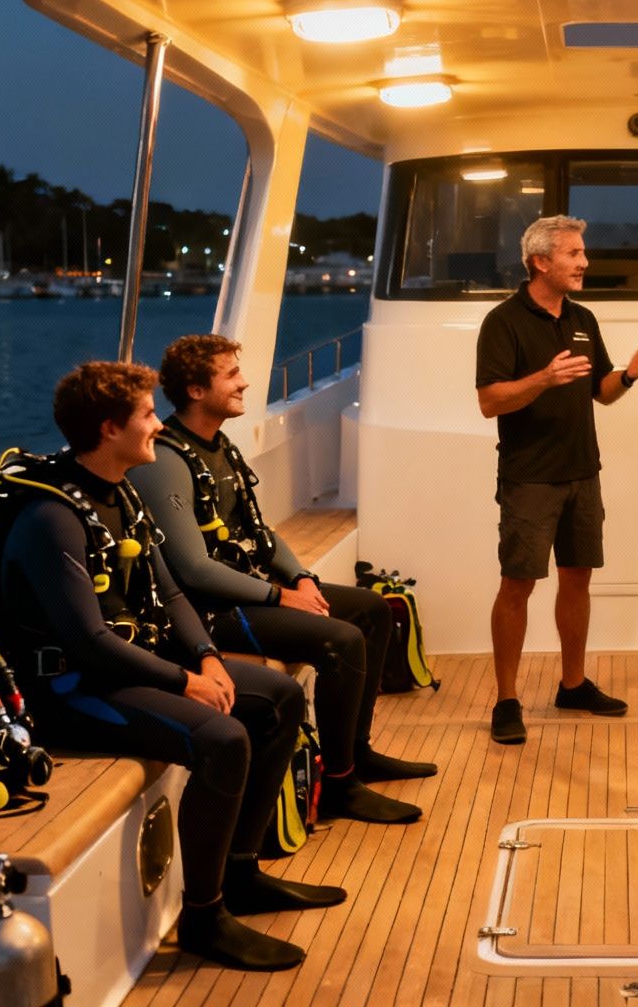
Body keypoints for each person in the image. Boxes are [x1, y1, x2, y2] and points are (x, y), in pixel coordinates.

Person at [0, 362, 337, 971]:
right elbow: (89, 641)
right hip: (70, 693)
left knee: (278, 697)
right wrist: (185, 681)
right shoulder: (52, 518)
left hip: (132, 670)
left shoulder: (118, 488)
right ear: (107, 428)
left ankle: (242, 872)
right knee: (224, 739)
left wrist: (206, 656)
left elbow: (170, 592)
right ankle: (205, 917)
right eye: (147, 415)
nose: (157, 424)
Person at [130, 334, 436, 827]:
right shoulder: (166, 461)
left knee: (371, 610)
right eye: (230, 374)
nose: (244, 382)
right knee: (341, 639)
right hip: (212, 611)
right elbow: (192, 568)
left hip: (251, 589)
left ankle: (356, 753)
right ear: (193, 389)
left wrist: (300, 576)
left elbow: (260, 531)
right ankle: (340, 785)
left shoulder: (218, 446)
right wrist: (278, 594)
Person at [475, 215, 638, 745]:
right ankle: (506, 699)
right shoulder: (503, 322)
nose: (584, 262)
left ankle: (572, 685)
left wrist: (627, 375)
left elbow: (600, 392)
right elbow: (490, 401)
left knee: (578, 578)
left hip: (584, 473)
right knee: (518, 585)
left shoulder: (583, 318)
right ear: (540, 261)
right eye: (574, 254)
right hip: (529, 478)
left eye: (583, 253)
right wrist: (543, 378)